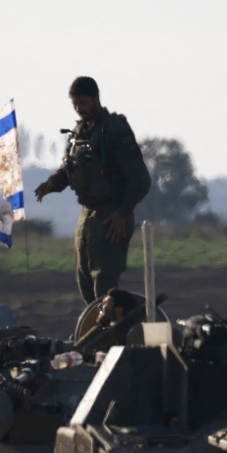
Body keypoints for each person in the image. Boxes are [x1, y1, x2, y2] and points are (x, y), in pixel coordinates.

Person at [32, 77, 151, 305]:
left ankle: (111, 323)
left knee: (104, 284)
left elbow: (141, 180)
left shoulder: (114, 129)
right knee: (84, 279)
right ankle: (95, 324)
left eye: (83, 103)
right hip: (87, 214)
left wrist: (122, 213)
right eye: (75, 104)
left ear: (96, 98)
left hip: (111, 215)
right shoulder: (79, 132)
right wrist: (52, 184)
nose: (79, 109)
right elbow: (69, 168)